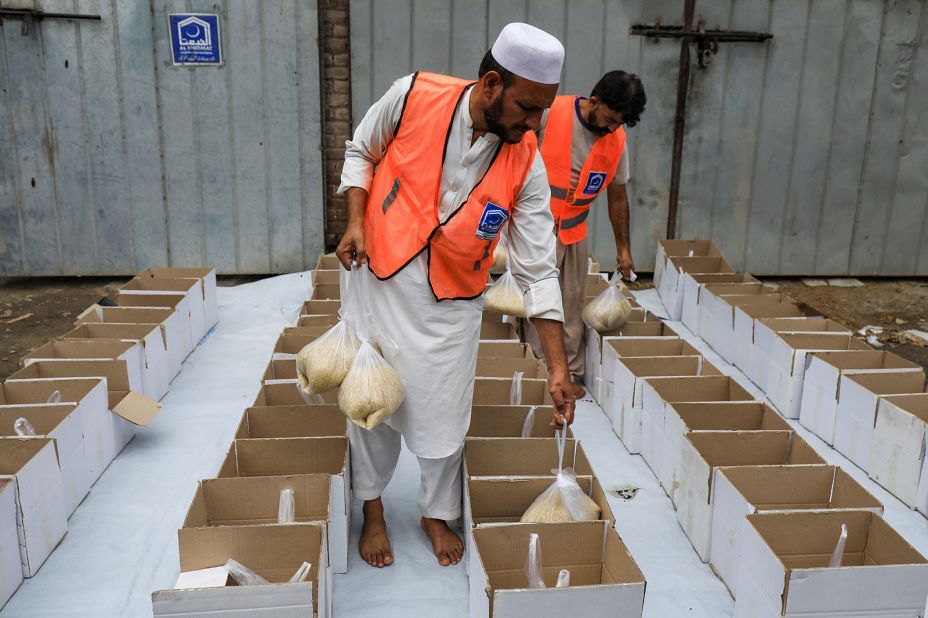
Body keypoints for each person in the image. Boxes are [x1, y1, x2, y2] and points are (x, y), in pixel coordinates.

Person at [335, 23, 578, 570]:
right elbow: (360, 152)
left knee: (444, 416)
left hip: (453, 301)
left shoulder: (526, 157)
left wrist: (556, 368)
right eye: (527, 107)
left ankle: (434, 512)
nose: (535, 123)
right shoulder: (412, 95)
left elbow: (538, 270)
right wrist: (354, 221)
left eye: (543, 110)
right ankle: (372, 510)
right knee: (368, 403)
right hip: (379, 281)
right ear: (491, 84)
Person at [523, 71, 646, 382]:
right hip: (536, 230)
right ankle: (536, 373)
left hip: (574, 234)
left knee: (571, 306)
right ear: (595, 101)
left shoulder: (616, 141)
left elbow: (618, 198)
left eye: (620, 123)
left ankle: (570, 373)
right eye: (611, 118)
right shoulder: (552, 115)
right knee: (537, 303)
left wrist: (624, 249)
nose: (613, 128)